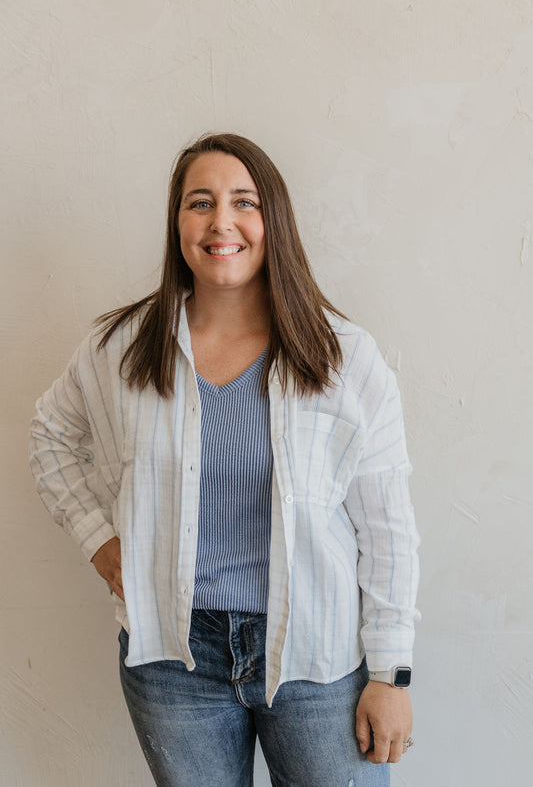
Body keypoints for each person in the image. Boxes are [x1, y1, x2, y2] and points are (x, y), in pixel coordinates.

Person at [29, 133, 420, 787]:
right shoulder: (121, 349)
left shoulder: (342, 358)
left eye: (244, 201)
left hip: (315, 660)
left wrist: (390, 674)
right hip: (173, 665)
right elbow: (49, 434)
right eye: (199, 202)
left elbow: (387, 529)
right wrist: (99, 540)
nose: (221, 222)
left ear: (274, 221)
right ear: (177, 223)